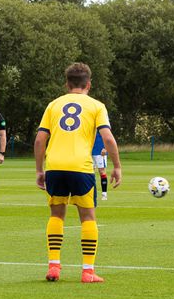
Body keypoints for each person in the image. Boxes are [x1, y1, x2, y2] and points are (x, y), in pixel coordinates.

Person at [34, 62, 122, 283]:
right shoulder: (96, 106)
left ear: (67, 84)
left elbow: (39, 139)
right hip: (80, 167)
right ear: (88, 84)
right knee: (88, 217)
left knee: (56, 215)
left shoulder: (53, 105)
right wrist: (117, 166)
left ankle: (54, 267)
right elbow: (108, 138)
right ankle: (88, 271)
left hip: (54, 166)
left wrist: (39, 170)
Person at [92, 130, 109, 202]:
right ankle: (91, 194)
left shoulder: (101, 120)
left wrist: (105, 147)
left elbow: (107, 135)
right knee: (89, 173)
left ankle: (104, 194)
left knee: (102, 172)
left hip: (100, 151)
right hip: (88, 151)